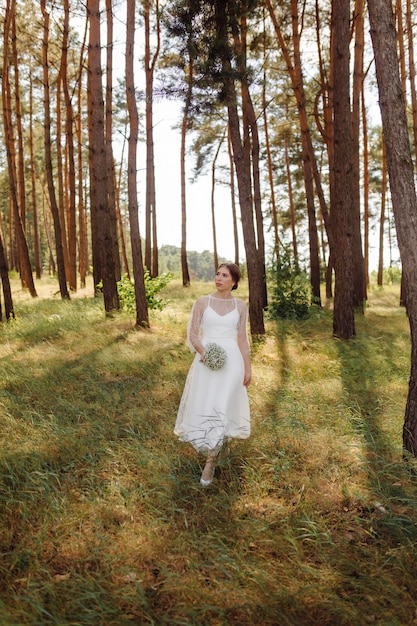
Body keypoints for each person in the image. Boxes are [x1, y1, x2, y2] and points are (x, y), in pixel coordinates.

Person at [174, 262, 251, 487]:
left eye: (224, 275)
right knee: (207, 404)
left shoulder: (240, 306)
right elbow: (193, 334)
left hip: (232, 363)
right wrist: (205, 353)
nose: (218, 278)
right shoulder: (202, 302)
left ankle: (210, 463)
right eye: (217, 274)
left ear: (234, 281)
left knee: (223, 405)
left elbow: (243, 340)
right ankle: (212, 445)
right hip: (206, 361)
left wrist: (248, 367)